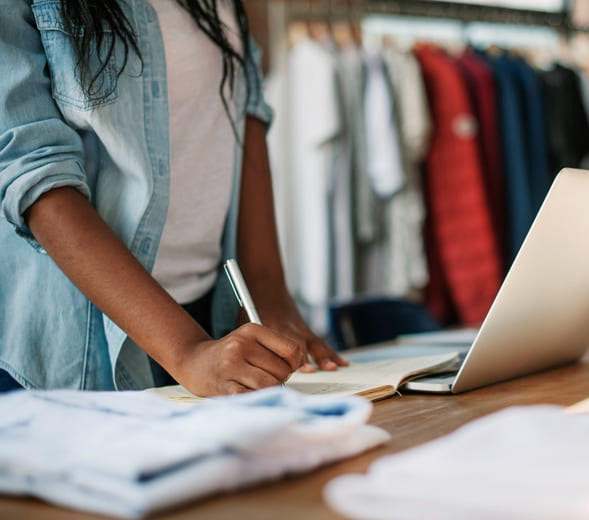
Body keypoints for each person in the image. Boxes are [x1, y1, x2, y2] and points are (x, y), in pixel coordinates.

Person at [0, 0, 347, 396]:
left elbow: (245, 106)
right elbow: (34, 171)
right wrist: (187, 350)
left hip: (210, 320)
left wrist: (269, 294)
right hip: (79, 347)